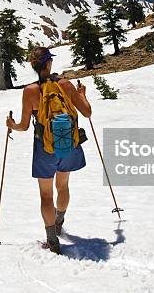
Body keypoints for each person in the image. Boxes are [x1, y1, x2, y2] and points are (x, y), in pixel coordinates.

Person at [6, 47, 91, 254]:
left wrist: (11, 124)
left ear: (34, 66)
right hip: (68, 144)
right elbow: (87, 112)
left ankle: (52, 238)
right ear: (49, 63)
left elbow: (24, 125)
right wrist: (81, 95)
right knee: (63, 186)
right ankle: (59, 220)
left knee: (46, 195)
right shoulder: (65, 85)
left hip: (44, 146)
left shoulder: (30, 91)